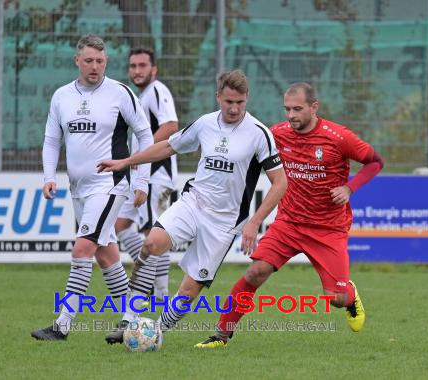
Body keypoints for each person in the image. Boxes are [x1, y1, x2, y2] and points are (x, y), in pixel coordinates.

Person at [97, 69, 287, 344]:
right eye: (229, 101)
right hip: (193, 203)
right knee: (151, 245)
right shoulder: (205, 124)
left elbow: (280, 183)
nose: (234, 108)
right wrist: (127, 161)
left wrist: (255, 221)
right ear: (218, 97)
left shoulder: (259, 134)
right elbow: (167, 147)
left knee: (188, 290)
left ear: (247, 99)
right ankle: (129, 319)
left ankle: (155, 332)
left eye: (240, 102)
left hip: (225, 222)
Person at [195, 82, 385, 348]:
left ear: (314, 107)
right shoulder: (278, 134)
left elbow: (375, 161)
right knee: (255, 273)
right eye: (287, 109)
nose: (291, 115)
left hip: (327, 228)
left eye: (298, 109)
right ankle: (221, 336)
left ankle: (350, 295)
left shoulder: (338, 137)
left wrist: (349, 187)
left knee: (336, 298)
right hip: (289, 223)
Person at [31, 34, 154, 341]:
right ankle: (131, 319)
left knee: (82, 247)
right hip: (78, 188)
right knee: (106, 255)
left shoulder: (120, 93)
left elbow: (145, 135)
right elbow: (51, 139)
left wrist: (141, 178)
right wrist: (49, 176)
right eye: (89, 61)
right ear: (77, 61)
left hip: (109, 185)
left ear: (106, 62)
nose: (95, 67)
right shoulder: (62, 96)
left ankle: (62, 325)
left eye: (100, 61)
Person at [97, 47, 179, 302]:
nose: (137, 71)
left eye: (143, 66)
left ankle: (161, 295)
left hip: (156, 174)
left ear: (153, 69)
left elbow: (171, 125)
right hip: (141, 174)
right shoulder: (141, 95)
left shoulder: (157, 90)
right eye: (133, 66)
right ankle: (151, 282)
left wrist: (143, 153)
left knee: (154, 233)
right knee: (119, 226)